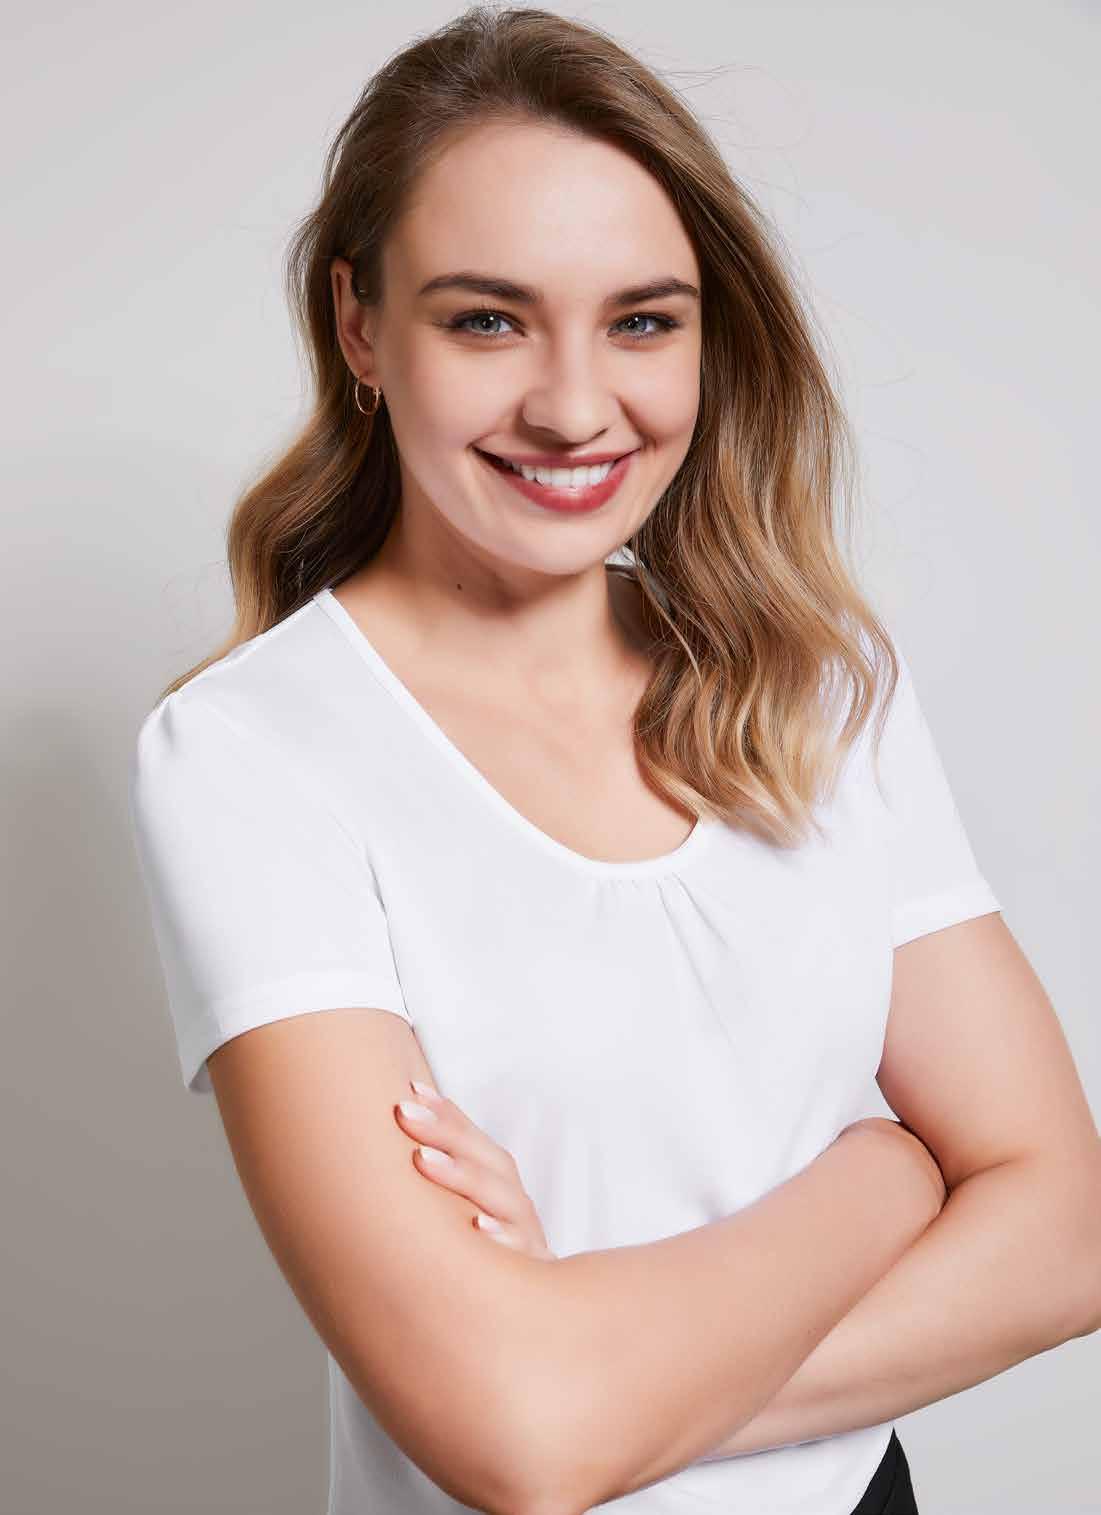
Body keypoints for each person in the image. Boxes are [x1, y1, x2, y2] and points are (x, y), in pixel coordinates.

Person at [128, 8, 1101, 1515]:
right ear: (360, 328)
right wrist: (887, 1177)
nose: (576, 407)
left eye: (643, 322)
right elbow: (516, 1441)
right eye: (487, 321)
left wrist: (600, 1380)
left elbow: (1068, 1234)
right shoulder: (250, 754)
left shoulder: (815, 685)